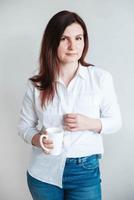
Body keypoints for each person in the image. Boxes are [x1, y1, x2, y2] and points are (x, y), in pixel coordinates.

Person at [18, 10, 122, 200]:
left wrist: (89, 123)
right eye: (64, 38)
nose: (73, 45)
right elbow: (24, 126)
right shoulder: (37, 83)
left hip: (85, 172)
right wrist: (38, 139)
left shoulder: (100, 78)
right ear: (52, 42)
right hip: (43, 172)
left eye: (78, 38)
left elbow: (116, 121)